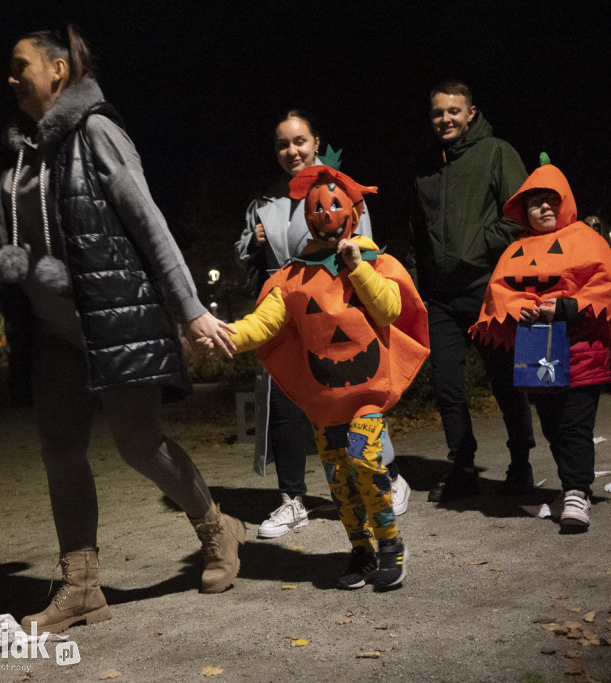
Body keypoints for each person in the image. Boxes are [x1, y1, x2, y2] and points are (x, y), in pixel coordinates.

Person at [0, 26, 243, 633]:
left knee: (138, 443)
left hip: (114, 320)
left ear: (57, 69)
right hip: (52, 334)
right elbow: (13, 241)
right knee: (59, 450)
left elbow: (147, 220)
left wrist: (191, 308)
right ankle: (81, 589)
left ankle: (218, 529)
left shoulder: (96, 132)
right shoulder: (21, 159)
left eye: (19, 64)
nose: (10, 77)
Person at [214, 166, 429, 590]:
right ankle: (362, 550)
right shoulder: (292, 277)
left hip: (366, 392)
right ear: (305, 217)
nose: (326, 214)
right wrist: (225, 336)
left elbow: (387, 310)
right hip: (325, 399)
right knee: (339, 482)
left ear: (352, 211)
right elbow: (263, 323)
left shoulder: (373, 261)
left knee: (365, 460)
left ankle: (390, 545)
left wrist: (357, 268)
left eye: (334, 205)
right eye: (316, 208)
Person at [235, 111, 410, 539]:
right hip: (289, 307)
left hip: (341, 307)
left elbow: (365, 249)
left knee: (356, 392)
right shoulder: (264, 202)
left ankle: (386, 472)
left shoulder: (342, 189)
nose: (291, 151)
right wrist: (252, 244)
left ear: (315, 141)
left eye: (299, 141)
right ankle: (292, 499)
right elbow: (241, 257)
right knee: (286, 405)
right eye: (282, 144)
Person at [470, 165, 611, 530]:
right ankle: (572, 482)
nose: (545, 208)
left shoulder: (585, 239)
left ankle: (577, 491)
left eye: (552, 201)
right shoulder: (516, 249)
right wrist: (523, 308)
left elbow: (606, 287)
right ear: (524, 211)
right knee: (552, 426)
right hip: (538, 351)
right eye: (536, 203)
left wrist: (565, 306)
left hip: (582, 348)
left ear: (565, 202)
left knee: (575, 424)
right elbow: (501, 293)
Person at [410, 79, 536, 501]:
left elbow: (520, 215)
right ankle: (462, 467)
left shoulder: (497, 152)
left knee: (504, 380)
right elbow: (418, 230)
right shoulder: (427, 165)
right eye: (437, 112)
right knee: (447, 386)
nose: (445, 119)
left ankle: (521, 462)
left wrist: (479, 247)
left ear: (471, 113)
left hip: (487, 288)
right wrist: (420, 277)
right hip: (440, 297)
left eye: (453, 111)